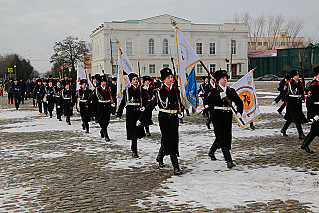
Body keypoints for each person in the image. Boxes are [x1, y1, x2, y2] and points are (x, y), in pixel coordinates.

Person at [139, 68, 184, 175]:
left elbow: (179, 102)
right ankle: (176, 166)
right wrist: (141, 118)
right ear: (164, 79)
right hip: (164, 118)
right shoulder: (159, 91)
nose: (170, 79)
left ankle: (160, 156)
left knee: (171, 139)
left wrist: (180, 111)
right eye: (168, 78)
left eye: (171, 77)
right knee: (170, 140)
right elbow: (150, 105)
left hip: (174, 118)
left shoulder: (176, 90)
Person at [206, 70, 243, 169]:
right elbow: (208, 101)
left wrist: (239, 112)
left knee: (225, 136)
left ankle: (212, 151)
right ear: (218, 80)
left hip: (227, 115)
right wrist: (219, 96)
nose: (225, 79)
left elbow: (239, 102)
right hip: (217, 116)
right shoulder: (213, 91)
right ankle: (228, 160)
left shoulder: (230, 90)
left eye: (226, 78)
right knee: (221, 136)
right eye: (223, 78)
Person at [117, 73, 148, 158]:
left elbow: (146, 101)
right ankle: (134, 150)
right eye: (134, 79)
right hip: (130, 112)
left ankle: (134, 146)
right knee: (133, 132)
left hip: (139, 112)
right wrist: (119, 113)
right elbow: (123, 102)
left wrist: (144, 107)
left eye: (136, 79)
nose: (135, 81)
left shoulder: (142, 90)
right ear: (131, 81)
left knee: (138, 132)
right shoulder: (127, 90)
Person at [273, 70, 307, 139]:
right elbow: (283, 92)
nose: (298, 76)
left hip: (298, 102)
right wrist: (276, 100)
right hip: (291, 103)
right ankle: (301, 134)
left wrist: (303, 97)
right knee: (296, 118)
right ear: (293, 76)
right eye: (296, 75)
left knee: (291, 119)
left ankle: (283, 129)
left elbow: (302, 91)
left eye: (298, 75)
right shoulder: (289, 84)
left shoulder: (300, 83)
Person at [301, 66, 319, 153]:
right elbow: (309, 103)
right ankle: (305, 144)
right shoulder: (313, 85)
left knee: (315, 130)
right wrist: (313, 115)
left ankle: (305, 144)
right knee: (315, 130)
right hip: (316, 111)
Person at [94, 75, 114, 140]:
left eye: (104, 81)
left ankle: (103, 130)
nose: (103, 83)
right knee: (101, 120)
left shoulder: (109, 89)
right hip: (101, 106)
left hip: (107, 106)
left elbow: (112, 96)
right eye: (102, 82)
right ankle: (106, 135)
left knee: (107, 120)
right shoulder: (98, 89)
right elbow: (95, 97)